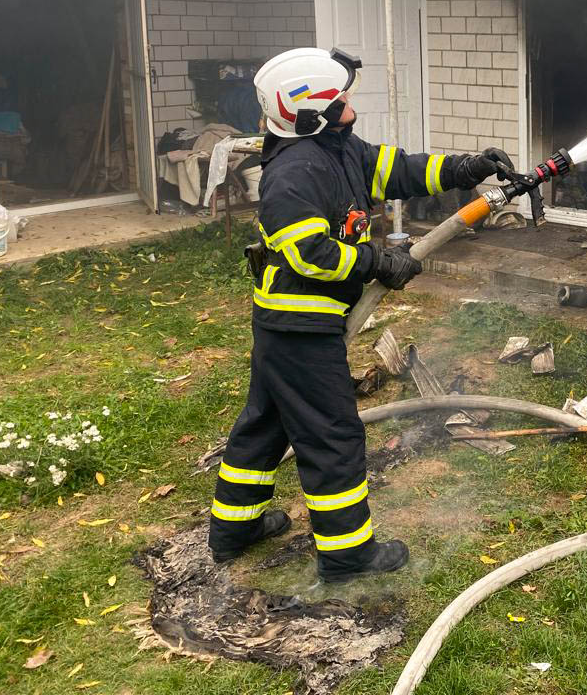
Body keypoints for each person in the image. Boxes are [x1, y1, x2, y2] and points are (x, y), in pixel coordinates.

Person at [208, 46, 510, 582]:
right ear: (308, 111)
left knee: (266, 425)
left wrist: (466, 168)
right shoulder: (293, 174)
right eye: (340, 99)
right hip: (300, 326)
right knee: (332, 436)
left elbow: (398, 170)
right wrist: (378, 262)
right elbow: (311, 254)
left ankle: (235, 529)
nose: (351, 107)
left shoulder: (334, 147)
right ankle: (349, 556)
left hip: (292, 326)